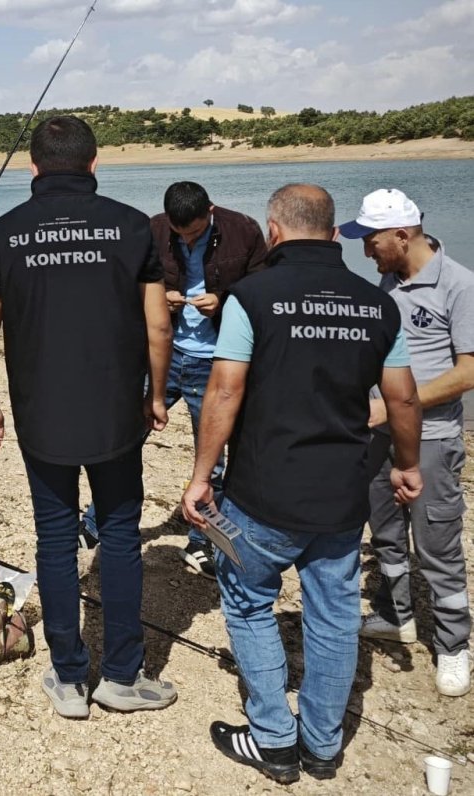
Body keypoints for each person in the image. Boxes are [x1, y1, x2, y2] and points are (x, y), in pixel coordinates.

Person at [182, 184, 422, 783]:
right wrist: (408, 464)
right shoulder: (378, 305)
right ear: (336, 233)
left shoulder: (252, 296)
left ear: (273, 232)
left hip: (263, 493)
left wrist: (199, 476)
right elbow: (403, 397)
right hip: (342, 496)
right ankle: (320, 743)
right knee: (334, 614)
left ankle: (273, 738)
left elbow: (225, 389)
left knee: (248, 601)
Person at [0, 116, 176, 719]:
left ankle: (67, 679)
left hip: (42, 416)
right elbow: (158, 324)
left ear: (32, 167)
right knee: (119, 536)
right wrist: (157, 394)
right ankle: (121, 676)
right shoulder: (133, 226)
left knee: (55, 540)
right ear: (93, 165)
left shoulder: (2, 233)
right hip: (115, 414)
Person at [82, 181, 267, 580]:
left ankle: (201, 546)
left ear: (211, 212)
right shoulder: (152, 229)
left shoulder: (244, 230)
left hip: (217, 362)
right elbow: (122, 280)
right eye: (180, 234)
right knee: (123, 440)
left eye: (196, 233)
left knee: (212, 461)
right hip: (160, 356)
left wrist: (224, 297)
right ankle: (95, 525)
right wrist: (158, 294)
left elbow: (263, 286)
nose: (187, 239)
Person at [339, 188, 474, 697]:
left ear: (403, 234)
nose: (365, 250)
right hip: (378, 434)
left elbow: (467, 373)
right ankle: (397, 616)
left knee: (437, 545)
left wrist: (401, 405)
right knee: (387, 536)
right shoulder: (387, 282)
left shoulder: (460, 285)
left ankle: (454, 645)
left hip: (433, 437)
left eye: (371, 240)